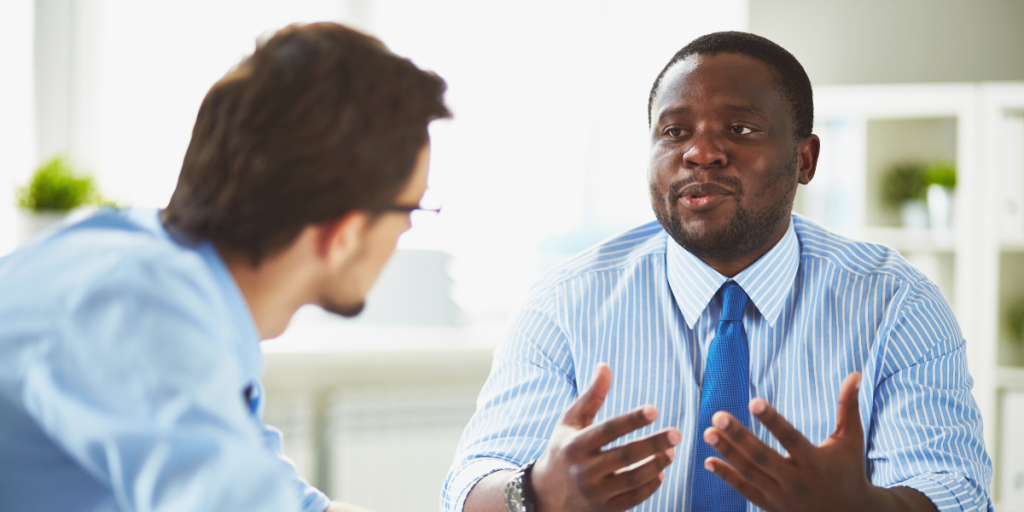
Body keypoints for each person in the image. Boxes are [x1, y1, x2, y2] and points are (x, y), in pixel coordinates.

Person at [443, 31, 992, 512]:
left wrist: (867, 508)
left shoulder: (896, 304)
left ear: (805, 159)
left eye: (739, 128)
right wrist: (536, 495)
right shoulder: (564, 301)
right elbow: (470, 483)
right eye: (675, 132)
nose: (701, 153)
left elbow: (959, 490)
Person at [0, 22, 449, 512]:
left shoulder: (154, 272)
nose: (406, 231)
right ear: (343, 234)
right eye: (412, 209)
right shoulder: (144, 309)